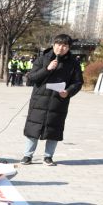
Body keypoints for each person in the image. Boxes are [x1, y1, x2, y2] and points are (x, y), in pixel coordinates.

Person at [20, 33, 83, 166]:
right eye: (58, 44)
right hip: (39, 100)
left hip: (59, 101)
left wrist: (68, 92)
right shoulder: (42, 59)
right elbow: (31, 78)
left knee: (54, 129)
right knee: (33, 128)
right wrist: (47, 69)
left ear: (69, 47)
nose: (61, 48)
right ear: (53, 45)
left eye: (64, 45)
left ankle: (48, 157)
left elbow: (77, 82)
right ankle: (27, 156)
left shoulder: (73, 63)